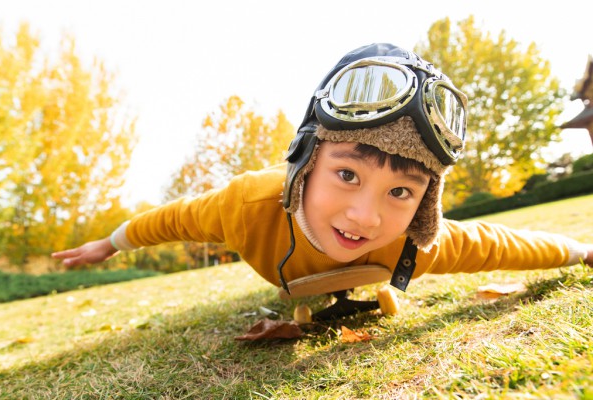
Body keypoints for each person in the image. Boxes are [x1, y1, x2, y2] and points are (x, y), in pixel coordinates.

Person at [52, 43, 592, 298]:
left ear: (426, 205)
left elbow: (493, 244)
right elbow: (176, 219)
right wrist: (112, 243)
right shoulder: (247, 205)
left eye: (402, 191)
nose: (365, 217)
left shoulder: (412, 242)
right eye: (349, 175)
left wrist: (580, 252)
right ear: (306, 165)